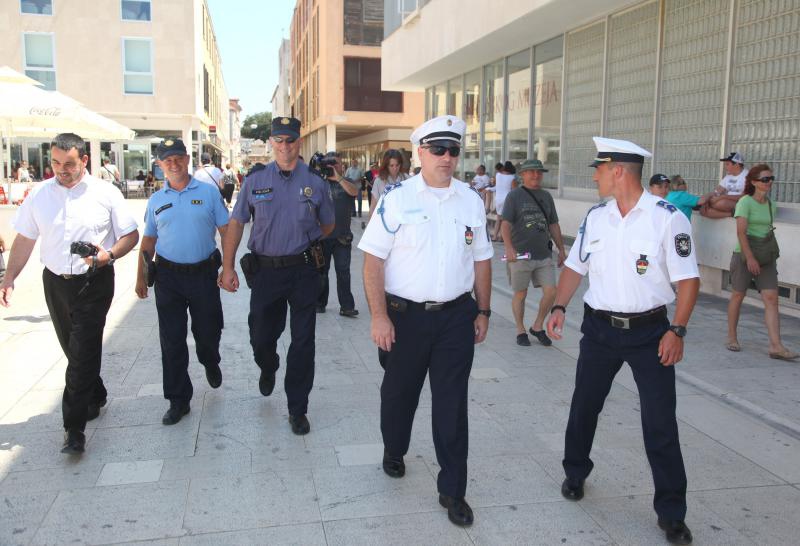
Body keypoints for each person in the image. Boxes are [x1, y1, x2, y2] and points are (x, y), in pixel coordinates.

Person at [546, 137, 700, 546]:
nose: (594, 176)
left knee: (660, 422)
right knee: (584, 406)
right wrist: (559, 306)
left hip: (651, 333)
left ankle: (672, 513)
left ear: (618, 171)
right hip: (599, 330)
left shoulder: (667, 218)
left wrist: (677, 330)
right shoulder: (596, 217)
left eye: (599, 169)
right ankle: (575, 472)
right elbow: (575, 266)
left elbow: (688, 279)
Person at [359, 115, 493, 527]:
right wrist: (379, 316)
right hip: (406, 319)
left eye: (453, 150)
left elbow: (482, 259)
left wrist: (484, 310)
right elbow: (373, 261)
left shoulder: (470, 200)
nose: (447, 157)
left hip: (456, 318)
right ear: (420, 153)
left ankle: (453, 489)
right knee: (399, 396)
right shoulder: (397, 198)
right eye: (438, 150)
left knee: (452, 405)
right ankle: (394, 448)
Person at [0, 133, 139, 455]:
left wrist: (108, 255)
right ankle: (95, 392)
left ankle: (74, 428)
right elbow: (25, 238)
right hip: (55, 283)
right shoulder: (39, 194)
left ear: (84, 161)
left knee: (83, 350)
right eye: (56, 163)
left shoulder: (105, 192)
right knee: (73, 349)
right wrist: (9, 277)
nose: (61, 169)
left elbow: (130, 235)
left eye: (69, 163)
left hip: (95, 281)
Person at [220, 116, 334, 436]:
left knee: (303, 341)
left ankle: (298, 408)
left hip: (303, 271)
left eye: (291, 140)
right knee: (261, 336)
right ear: (272, 143)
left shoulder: (315, 182)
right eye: (279, 140)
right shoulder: (255, 180)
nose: (285, 147)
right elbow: (237, 223)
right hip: (266, 272)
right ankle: (268, 366)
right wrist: (227, 267)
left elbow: (328, 224)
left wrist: (306, 239)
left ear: (299, 142)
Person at [135, 138, 230, 425]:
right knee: (172, 340)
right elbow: (148, 240)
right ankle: (178, 400)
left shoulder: (208, 193)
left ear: (187, 159)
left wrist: (228, 268)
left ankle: (210, 360)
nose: (173, 164)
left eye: (178, 158)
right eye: (168, 160)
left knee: (208, 331)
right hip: (168, 278)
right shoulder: (156, 200)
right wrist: (140, 277)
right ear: (160, 165)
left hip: (203, 274)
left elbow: (226, 230)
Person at [725, 164, 797, 360]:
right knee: (738, 295)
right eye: (765, 179)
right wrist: (750, 258)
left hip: (765, 255)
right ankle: (732, 336)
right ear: (754, 182)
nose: (769, 182)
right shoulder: (745, 202)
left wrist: (759, 257)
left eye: (771, 179)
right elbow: (741, 232)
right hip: (744, 254)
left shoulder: (770, 204)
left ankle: (776, 346)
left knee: (771, 298)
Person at [501, 159, 565, 347]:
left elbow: (553, 224)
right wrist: (508, 247)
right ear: (522, 174)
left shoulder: (546, 196)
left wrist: (561, 249)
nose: (536, 175)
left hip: (543, 254)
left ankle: (537, 326)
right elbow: (505, 224)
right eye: (531, 172)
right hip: (520, 255)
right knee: (520, 294)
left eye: (539, 172)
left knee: (551, 291)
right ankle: (520, 329)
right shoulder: (514, 196)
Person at [316, 153, 360, 316]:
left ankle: (347, 306)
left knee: (343, 273)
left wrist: (338, 178)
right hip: (322, 237)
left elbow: (354, 192)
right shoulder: (319, 183)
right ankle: (319, 303)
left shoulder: (347, 181)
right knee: (321, 273)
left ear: (342, 166)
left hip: (342, 237)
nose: (334, 167)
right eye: (331, 164)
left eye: (337, 164)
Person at [701, 152, 748, 219]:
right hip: (726, 203)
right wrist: (708, 199)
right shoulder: (728, 176)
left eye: (727, 164)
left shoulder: (747, 176)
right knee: (703, 210)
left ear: (736, 165)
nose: (725, 167)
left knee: (721, 203)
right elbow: (717, 191)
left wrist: (722, 197)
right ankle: (731, 214)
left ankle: (729, 211)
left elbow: (744, 197)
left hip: (740, 203)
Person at [368, 149, 409, 222]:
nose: (395, 168)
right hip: (385, 221)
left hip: (403, 220)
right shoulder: (379, 181)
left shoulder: (407, 179)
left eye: (397, 165)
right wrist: (370, 226)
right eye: (391, 165)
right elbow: (373, 207)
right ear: (386, 165)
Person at [491, 161, 516, 241]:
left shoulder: (498, 175)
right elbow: (514, 190)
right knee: (505, 220)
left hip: (498, 199)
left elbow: (495, 184)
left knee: (499, 219)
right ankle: (502, 237)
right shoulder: (512, 177)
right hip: (507, 199)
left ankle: (495, 236)